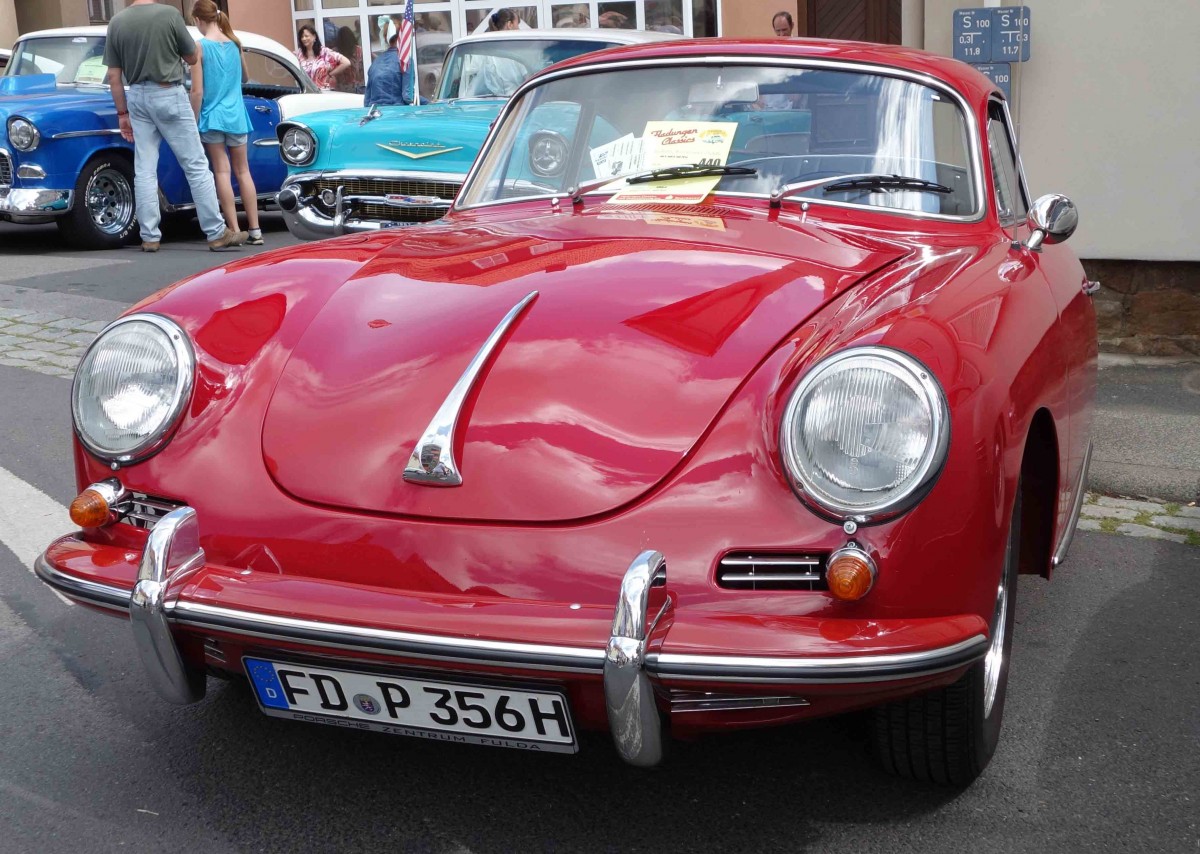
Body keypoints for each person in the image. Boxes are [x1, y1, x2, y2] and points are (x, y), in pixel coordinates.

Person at [103, 0, 243, 251]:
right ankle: (215, 231)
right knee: (196, 165)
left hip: (137, 96)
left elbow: (114, 76)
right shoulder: (169, 14)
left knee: (145, 169)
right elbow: (192, 56)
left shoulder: (117, 22)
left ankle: (149, 236)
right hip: (169, 93)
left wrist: (122, 113)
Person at [189, 0, 262, 246]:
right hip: (237, 115)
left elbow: (197, 91)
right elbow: (246, 77)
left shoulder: (199, 47)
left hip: (212, 116)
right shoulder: (234, 43)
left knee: (222, 171)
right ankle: (256, 229)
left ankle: (234, 229)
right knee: (243, 171)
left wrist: (193, 120)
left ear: (198, 20)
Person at [363, 27, 415, 107]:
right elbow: (408, 96)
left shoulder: (376, 62)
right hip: (396, 111)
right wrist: (427, 103)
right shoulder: (405, 60)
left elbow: (367, 101)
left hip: (375, 112)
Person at [295, 24, 351, 92]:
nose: (304, 39)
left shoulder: (324, 52)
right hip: (305, 92)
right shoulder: (299, 54)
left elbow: (346, 62)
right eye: (302, 37)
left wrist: (330, 74)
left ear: (314, 36)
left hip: (323, 91)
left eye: (306, 36)